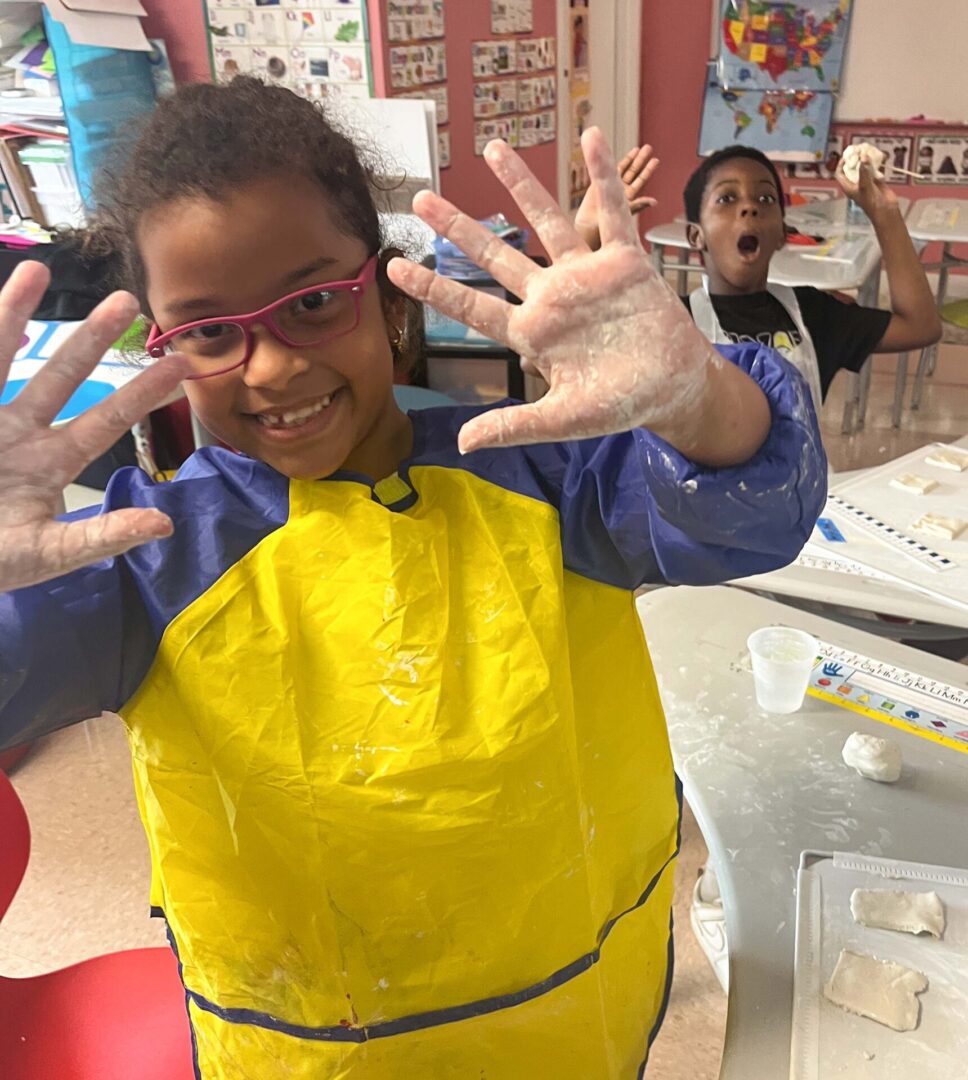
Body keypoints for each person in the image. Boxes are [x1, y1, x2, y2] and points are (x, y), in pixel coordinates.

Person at [0, 78, 826, 1078]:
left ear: (386, 295)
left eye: (311, 304)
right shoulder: (145, 557)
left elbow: (753, 508)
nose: (267, 368)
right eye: (212, 332)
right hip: (312, 1053)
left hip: (577, 1021)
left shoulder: (543, 475)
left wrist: (694, 397)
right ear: (165, 349)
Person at [682, 144, 941, 414]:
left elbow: (921, 326)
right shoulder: (673, 320)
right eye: (726, 198)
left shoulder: (814, 314)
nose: (749, 206)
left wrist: (884, 213)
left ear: (783, 234)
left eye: (765, 199)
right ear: (695, 235)